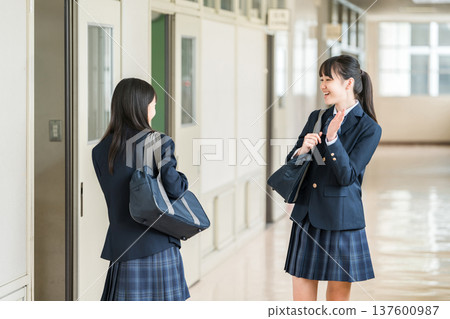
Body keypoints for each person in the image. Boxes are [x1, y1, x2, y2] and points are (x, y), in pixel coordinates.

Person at [284, 55, 382, 301]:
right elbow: (291, 165)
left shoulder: (369, 128)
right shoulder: (317, 116)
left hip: (341, 219)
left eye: (328, 79)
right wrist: (301, 151)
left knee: (336, 305)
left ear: (348, 83)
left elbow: (347, 176)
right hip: (307, 216)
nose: (322, 85)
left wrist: (332, 140)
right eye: (321, 79)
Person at [92, 78, 190, 301]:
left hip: (122, 250)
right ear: (141, 107)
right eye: (153, 106)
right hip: (157, 244)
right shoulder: (158, 142)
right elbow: (175, 188)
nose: (154, 112)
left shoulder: (100, 150)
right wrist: (182, 178)